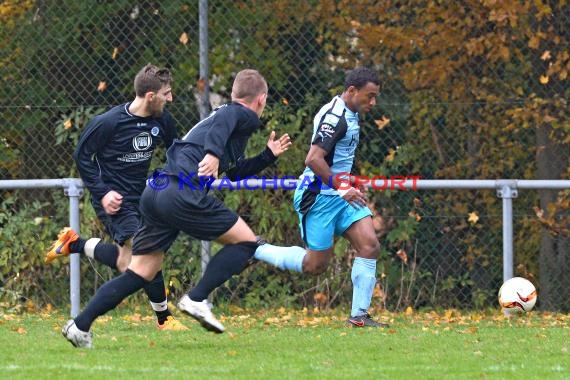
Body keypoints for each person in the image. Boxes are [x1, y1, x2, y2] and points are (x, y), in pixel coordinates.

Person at [61, 69, 292, 348]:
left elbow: (233, 172)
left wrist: (267, 156)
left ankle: (80, 325)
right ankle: (197, 298)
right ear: (261, 99)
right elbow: (226, 125)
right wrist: (212, 154)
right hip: (180, 192)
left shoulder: (221, 120)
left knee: (141, 270)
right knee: (246, 242)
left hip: (156, 192)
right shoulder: (240, 114)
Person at [47, 64, 186, 331]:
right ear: (150, 96)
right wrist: (103, 193)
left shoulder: (162, 121)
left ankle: (75, 244)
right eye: (166, 93)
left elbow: (176, 152)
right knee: (148, 250)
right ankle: (164, 318)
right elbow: (82, 157)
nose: (170, 98)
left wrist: (173, 180)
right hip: (115, 203)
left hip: (143, 200)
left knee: (127, 263)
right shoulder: (108, 122)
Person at [254, 67, 389, 328]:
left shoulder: (350, 111)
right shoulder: (335, 117)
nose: (373, 102)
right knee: (315, 265)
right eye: (369, 96)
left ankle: (359, 317)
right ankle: (257, 249)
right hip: (318, 197)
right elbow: (313, 159)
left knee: (370, 245)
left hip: (341, 194)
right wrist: (342, 187)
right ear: (352, 91)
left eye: (375, 97)